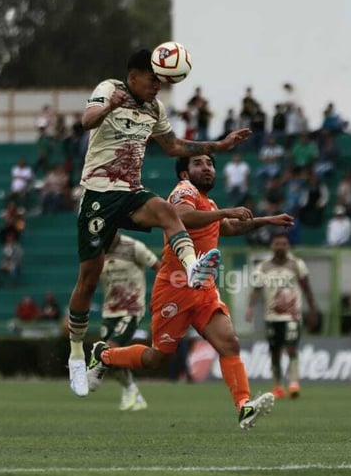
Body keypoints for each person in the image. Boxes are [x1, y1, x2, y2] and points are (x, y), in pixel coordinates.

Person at [66, 49, 251, 397]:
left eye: (161, 81)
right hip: (98, 195)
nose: (158, 86)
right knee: (88, 279)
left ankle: (193, 266)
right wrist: (109, 105)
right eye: (153, 80)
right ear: (133, 76)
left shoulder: (154, 109)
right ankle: (77, 352)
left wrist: (219, 145)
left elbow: (173, 146)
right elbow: (87, 120)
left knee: (168, 212)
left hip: (131, 192)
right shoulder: (110, 88)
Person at [87, 154, 294, 429]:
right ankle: (103, 355)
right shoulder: (183, 191)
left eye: (210, 163)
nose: (206, 167)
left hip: (204, 288)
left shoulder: (209, 203)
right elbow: (181, 217)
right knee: (157, 357)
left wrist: (266, 220)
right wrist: (225, 212)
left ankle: (244, 406)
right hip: (174, 288)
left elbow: (229, 227)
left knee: (229, 343)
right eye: (198, 163)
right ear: (184, 173)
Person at [94, 232, 161, 411]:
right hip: (109, 311)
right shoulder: (96, 249)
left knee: (109, 348)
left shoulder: (133, 247)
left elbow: (159, 267)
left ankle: (94, 376)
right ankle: (132, 391)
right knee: (112, 357)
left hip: (131, 309)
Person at [247, 233, 317, 400]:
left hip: (292, 315)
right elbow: (256, 289)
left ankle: (294, 383)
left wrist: (313, 309)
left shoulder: (297, 264)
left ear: (288, 246)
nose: (281, 246)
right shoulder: (263, 267)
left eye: (284, 244)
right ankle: (277, 385)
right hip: (271, 316)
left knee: (291, 348)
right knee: (275, 351)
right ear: (272, 246)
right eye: (277, 243)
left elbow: (306, 288)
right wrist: (250, 307)